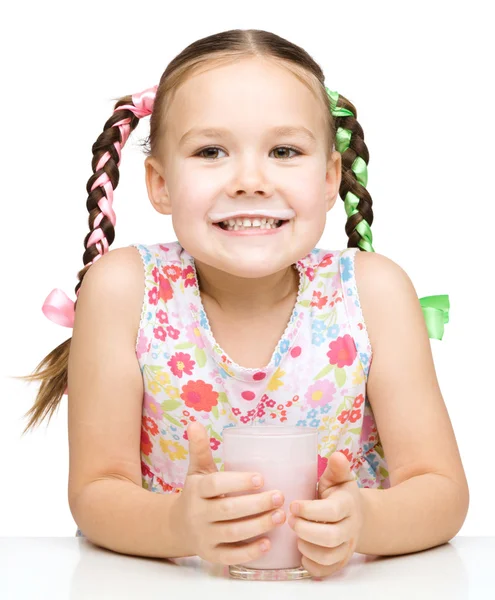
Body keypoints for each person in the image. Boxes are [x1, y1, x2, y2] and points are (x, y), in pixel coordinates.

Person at [19, 29, 468, 579]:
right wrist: (177, 524)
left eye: (284, 151)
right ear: (160, 183)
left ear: (330, 179)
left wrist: (366, 519)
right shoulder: (123, 290)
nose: (251, 181)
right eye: (211, 151)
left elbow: (441, 492)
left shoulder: (374, 292)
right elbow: (96, 491)